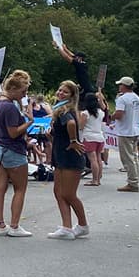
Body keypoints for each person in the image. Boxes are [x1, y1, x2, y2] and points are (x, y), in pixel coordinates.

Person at [0, 70, 33, 237]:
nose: (25, 94)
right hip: (12, 150)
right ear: (14, 89)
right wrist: (30, 121)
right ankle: (15, 226)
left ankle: (0, 225)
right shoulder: (10, 107)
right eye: (23, 91)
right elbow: (13, 133)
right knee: (20, 189)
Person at [48, 81, 90, 239]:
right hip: (60, 154)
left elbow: (71, 124)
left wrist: (73, 140)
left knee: (68, 193)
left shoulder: (65, 110)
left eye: (65, 92)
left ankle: (83, 225)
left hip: (70, 156)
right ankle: (66, 227)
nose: (60, 93)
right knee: (58, 191)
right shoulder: (60, 109)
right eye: (59, 90)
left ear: (72, 95)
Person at [111, 76, 139, 193]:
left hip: (125, 130)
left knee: (127, 158)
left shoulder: (122, 99)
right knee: (133, 157)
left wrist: (111, 117)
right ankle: (135, 179)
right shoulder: (136, 98)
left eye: (120, 85)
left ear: (124, 86)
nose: (119, 86)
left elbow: (119, 114)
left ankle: (132, 182)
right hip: (135, 129)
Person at [80, 92, 107, 186]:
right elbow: (104, 108)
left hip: (88, 137)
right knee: (99, 158)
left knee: (92, 159)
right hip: (99, 137)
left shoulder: (85, 113)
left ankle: (94, 180)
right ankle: (98, 179)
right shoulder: (101, 113)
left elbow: (81, 126)